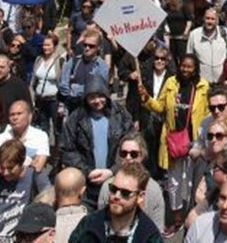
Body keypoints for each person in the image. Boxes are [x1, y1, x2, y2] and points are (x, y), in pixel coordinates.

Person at [139, 53, 208, 229]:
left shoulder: (203, 86)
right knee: (174, 182)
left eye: (189, 66)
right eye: (183, 65)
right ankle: (177, 217)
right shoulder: (171, 83)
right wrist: (147, 99)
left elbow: (208, 115)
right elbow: (160, 107)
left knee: (193, 181)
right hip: (173, 141)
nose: (185, 69)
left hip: (195, 143)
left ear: (195, 69)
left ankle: (194, 214)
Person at [61, 76, 133, 208]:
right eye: (92, 97)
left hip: (116, 181)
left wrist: (112, 171)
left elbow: (130, 145)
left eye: (100, 96)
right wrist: (87, 171)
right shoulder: (76, 119)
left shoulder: (120, 115)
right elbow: (68, 149)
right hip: (87, 186)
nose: (97, 101)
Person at [68, 162, 162, 243]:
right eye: (113, 189)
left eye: (125, 193)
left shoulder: (149, 236)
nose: (116, 196)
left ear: (140, 197)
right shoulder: (88, 226)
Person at [94, 132, 165, 229]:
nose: (128, 158)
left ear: (142, 156)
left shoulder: (154, 190)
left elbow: (158, 230)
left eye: (133, 154)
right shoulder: (108, 186)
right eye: (123, 153)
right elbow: (101, 225)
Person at [0, 139, 46, 243]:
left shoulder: (35, 178)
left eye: (10, 168)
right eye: (2, 168)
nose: (5, 173)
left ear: (21, 162)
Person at [0, 99, 50, 181]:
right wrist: (28, 164)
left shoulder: (40, 136)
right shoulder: (0, 139)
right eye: (12, 115)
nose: (15, 118)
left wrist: (7, 169)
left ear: (30, 116)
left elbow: (37, 168)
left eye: (19, 114)